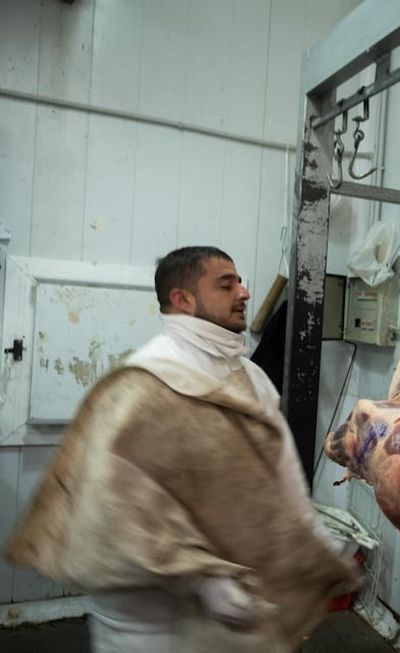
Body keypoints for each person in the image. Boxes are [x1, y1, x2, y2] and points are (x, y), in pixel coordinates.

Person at [5, 246, 362, 653]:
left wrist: (310, 542)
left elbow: (280, 475)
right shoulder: (143, 384)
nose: (244, 292)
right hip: (149, 622)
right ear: (183, 299)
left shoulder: (252, 379)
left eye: (240, 282)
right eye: (227, 284)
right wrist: (200, 578)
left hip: (239, 605)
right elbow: (114, 508)